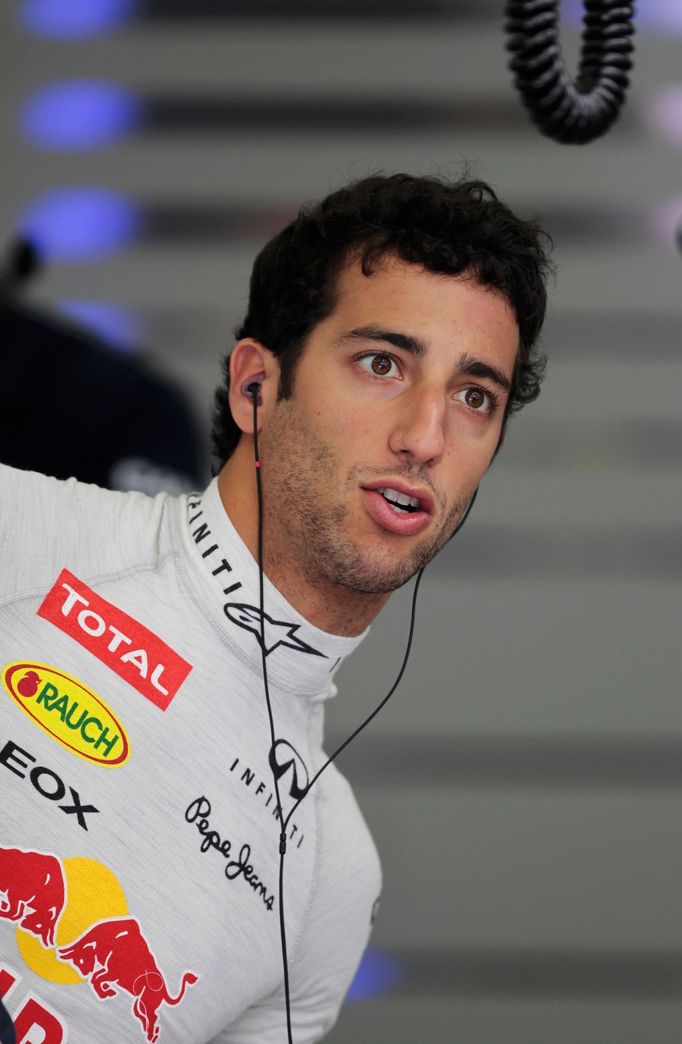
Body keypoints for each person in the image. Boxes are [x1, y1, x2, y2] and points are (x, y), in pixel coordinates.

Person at [0, 172, 552, 1043]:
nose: (426, 436)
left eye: (473, 395)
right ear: (257, 386)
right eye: (383, 364)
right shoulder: (17, 536)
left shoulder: (331, 877)